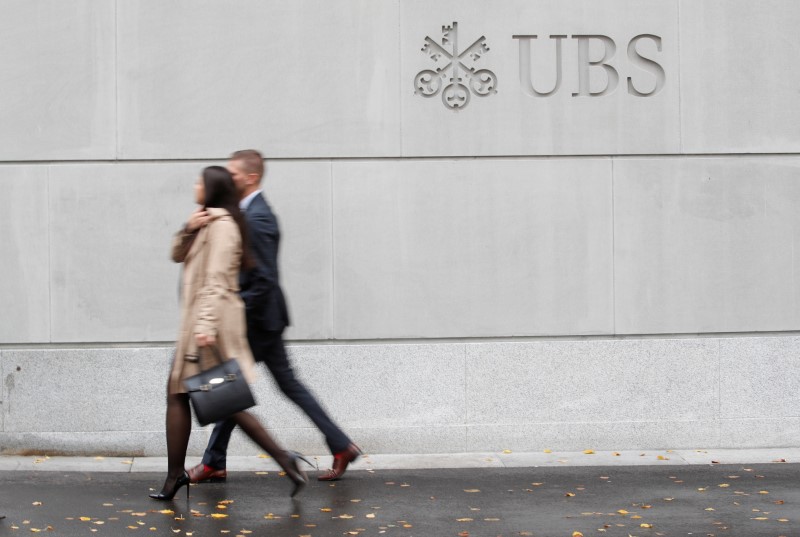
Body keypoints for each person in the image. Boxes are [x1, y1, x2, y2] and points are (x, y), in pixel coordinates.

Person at [187, 150, 361, 484]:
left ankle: (213, 462)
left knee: (227, 386)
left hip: (259, 323)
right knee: (274, 385)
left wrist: (233, 310)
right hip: (263, 320)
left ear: (251, 178)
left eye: (234, 175)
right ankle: (341, 445)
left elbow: (264, 279)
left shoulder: (258, 218)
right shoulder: (246, 213)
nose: (228, 180)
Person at [151, 166, 310, 501]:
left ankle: (285, 459)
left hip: (207, 329)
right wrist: (188, 228)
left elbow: (218, 280)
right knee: (182, 396)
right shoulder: (206, 222)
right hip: (195, 325)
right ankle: (175, 476)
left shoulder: (224, 227)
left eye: (199, 181)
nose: (194, 185)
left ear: (211, 188)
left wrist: (205, 327)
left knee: (226, 405)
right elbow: (176, 255)